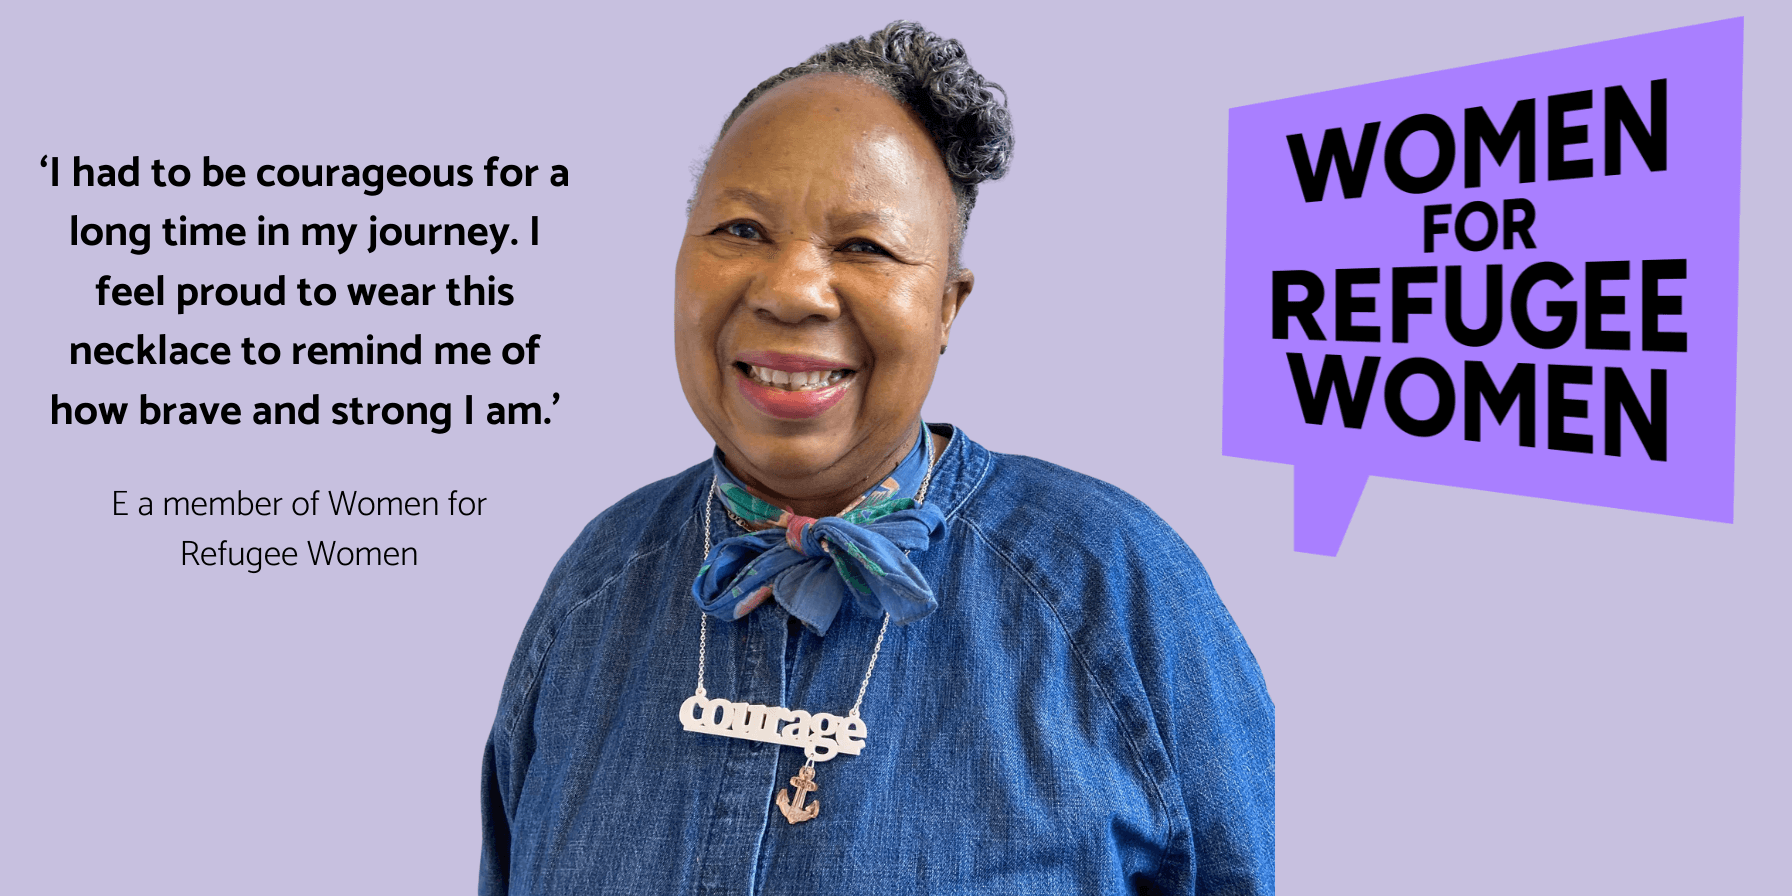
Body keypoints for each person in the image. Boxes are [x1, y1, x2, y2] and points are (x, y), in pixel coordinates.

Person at [480, 21, 1273, 895]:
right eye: (740, 229)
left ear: (946, 307)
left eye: (864, 246)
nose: (788, 290)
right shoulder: (595, 586)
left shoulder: (1114, 592)